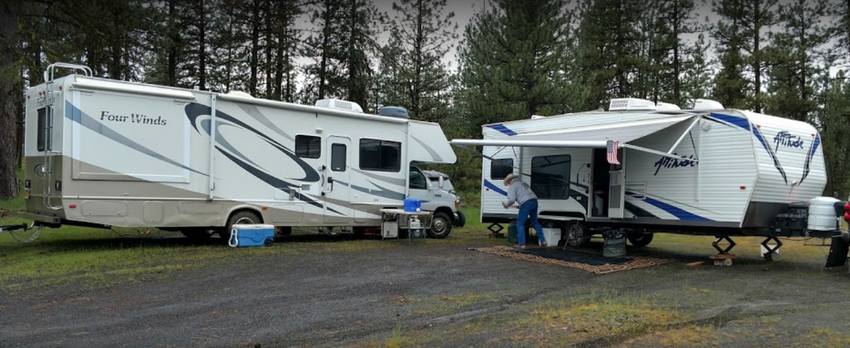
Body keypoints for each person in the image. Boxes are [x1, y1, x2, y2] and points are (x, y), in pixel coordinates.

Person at [502, 173, 547, 249]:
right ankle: (543, 240)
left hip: (525, 203)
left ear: (509, 180)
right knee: (535, 222)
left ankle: (522, 244)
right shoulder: (523, 184)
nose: (509, 184)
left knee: (520, 223)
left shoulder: (513, 186)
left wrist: (506, 205)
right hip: (534, 201)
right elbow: (527, 196)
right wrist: (519, 206)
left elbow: (512, 199)